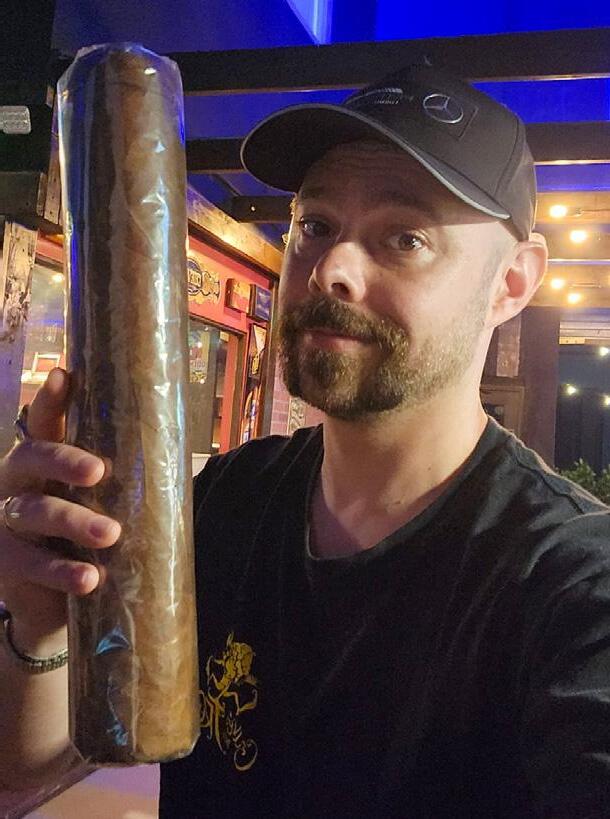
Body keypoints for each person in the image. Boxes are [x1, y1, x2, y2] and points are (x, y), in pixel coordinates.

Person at [1, 62, 610, 818]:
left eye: (406, 238)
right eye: (315, 226)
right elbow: (29, 768)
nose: (332, 271)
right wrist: (41, 623)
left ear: (512, 283)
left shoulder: (572, 582)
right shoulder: (219, 503)